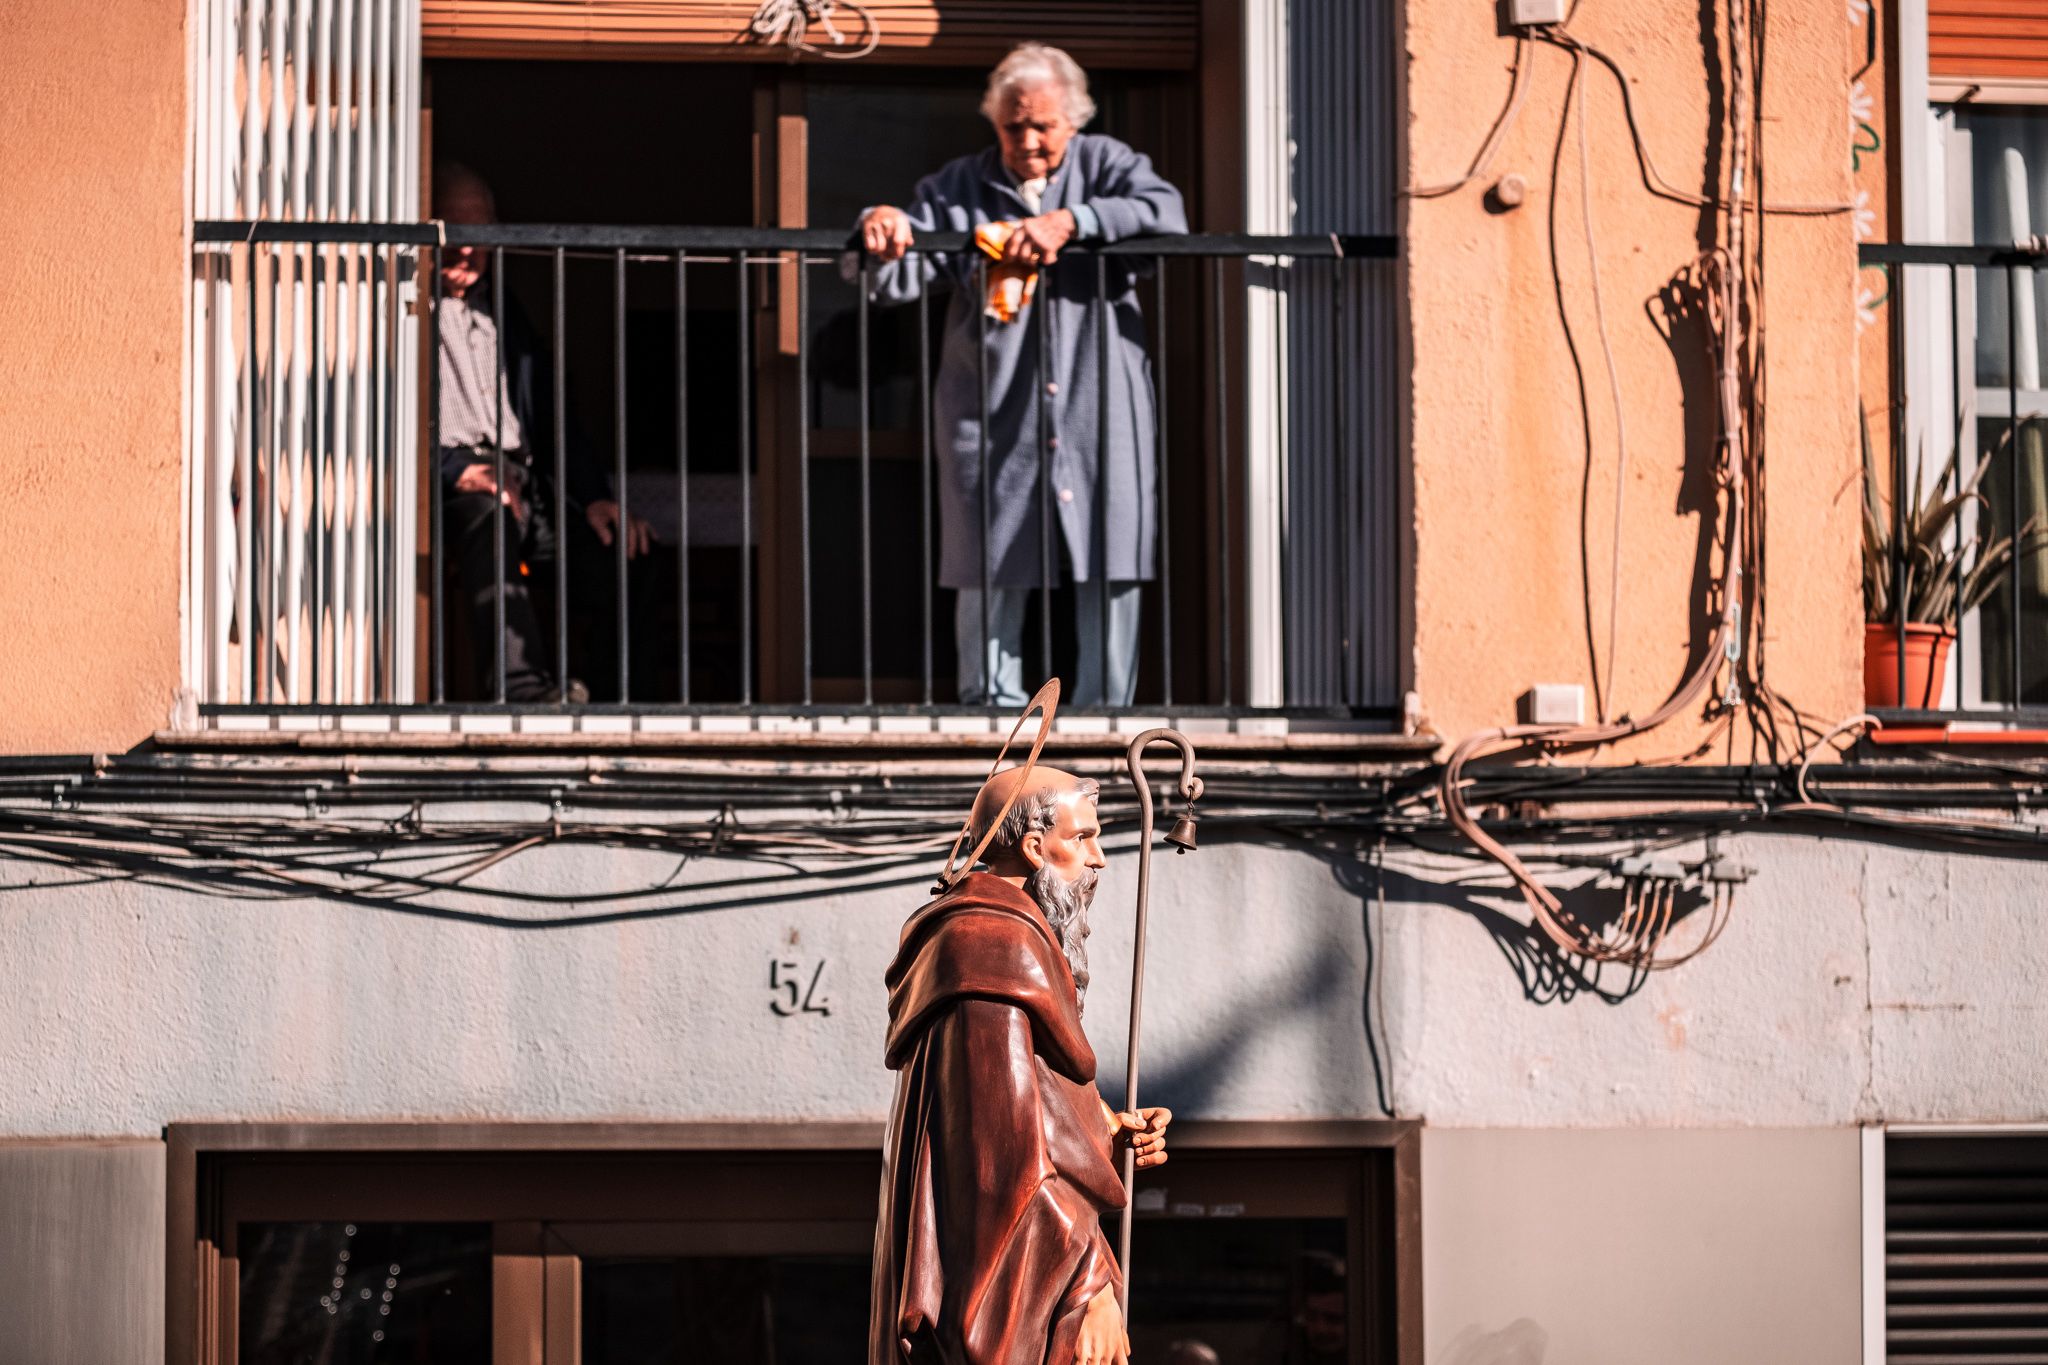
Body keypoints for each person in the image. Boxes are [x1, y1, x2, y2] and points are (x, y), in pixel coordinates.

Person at [857, 45, 1187, 707]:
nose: (1029, 142)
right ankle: (991, 712)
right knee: (989, 547)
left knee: (1112, 547)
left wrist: (1077, 220)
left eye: (1044, 126)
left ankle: (1107, 713)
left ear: (1075, 121)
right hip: (993, 402)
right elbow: (900, 264)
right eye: (1014, 127)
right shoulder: (961, 183)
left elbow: (1164, 211)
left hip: (1100, 404)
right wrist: (880, 223)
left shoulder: (1106, 165)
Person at [872, 762, 1173, 1365]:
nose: (1100, 859)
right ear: (1035, 848)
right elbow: (1001, 1166)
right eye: (1083, 837)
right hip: (1019, 1297)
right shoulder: (995, 951)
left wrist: (1105, 1132)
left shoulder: (997, 945)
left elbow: (1018, 1120)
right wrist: (1090, 1286)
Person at [433, 162, 651, 703]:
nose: (468, 251)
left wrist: (596, 497)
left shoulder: (504, 308)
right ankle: (525, 692)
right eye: (455, 233)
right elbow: (384, 419)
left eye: (480, 234)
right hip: (458, 483)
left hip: (525, 480)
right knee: (490, 522)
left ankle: (614, 699)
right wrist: (460, 471)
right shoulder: (402, 309)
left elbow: (552, 415)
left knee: (623, 549)